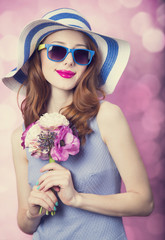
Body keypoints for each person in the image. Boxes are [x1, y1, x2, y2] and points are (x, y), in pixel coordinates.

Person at [2, 8, 154, 240]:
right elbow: (25, 224)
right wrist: (32, 213)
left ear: (88, 65)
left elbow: (144, 202)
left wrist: (77, 199)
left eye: (81, 55)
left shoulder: (107, 116)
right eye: (57, 51)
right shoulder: (20, 136)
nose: (69, 61)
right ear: (38, 57)